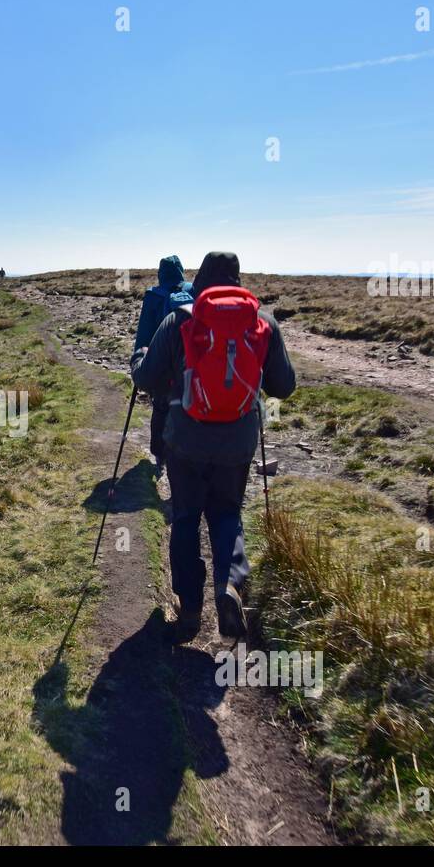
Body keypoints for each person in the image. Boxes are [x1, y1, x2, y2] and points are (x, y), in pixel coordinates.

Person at [130, 251, 295, 642]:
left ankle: (189, 611)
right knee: (226, 513)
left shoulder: (179, 320)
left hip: (185, 441)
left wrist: (140, 358)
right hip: (237, 444)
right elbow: (284, 387)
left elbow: (149, 378)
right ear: (238, 280)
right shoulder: (263, 324)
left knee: (186, 518)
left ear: (199, 280)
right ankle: (230, 586)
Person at [131, 256, 192, 474]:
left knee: (160, 408)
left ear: (161, 273)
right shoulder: (193, 292)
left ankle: (160, 456)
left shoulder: (153, 296)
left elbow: (144, 334)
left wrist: (138, 360)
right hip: (189, 363)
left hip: (161, 362)